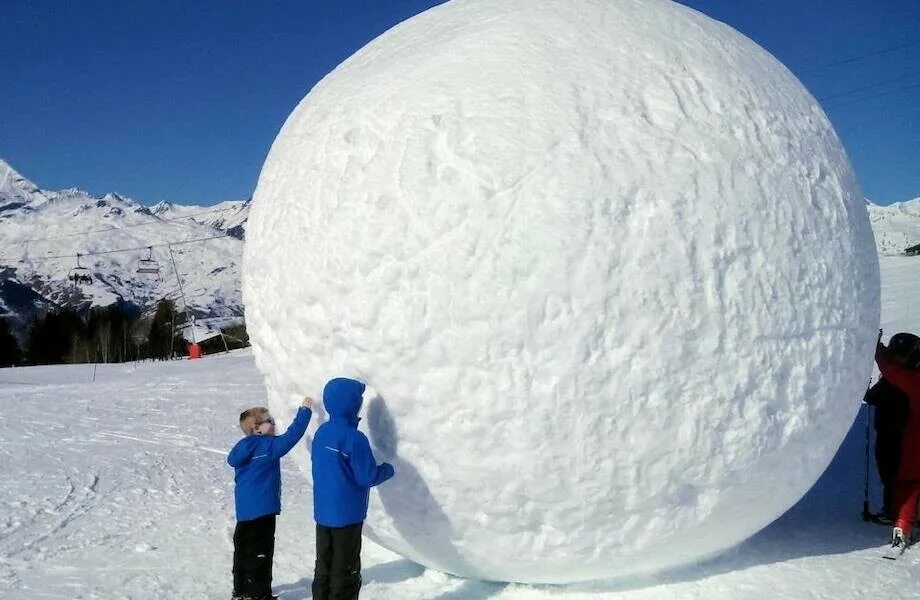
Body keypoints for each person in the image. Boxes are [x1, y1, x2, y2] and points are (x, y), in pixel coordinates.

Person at [311, 378, 395, 600]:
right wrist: (388, 469)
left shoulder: (322, 432)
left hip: (323, 512)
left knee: (324, 565)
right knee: (345, 569)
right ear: (354, 404)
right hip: (347, 515)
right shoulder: (354, 439)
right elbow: (367, 476)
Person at [228, 398, 313, 600]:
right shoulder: (268, 446)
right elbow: (293, 436)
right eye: (269, 421)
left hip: (245, 510)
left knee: (243, 549)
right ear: (256, 428)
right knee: (261, 552)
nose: (274, 423)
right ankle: (258, 594)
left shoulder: (243, 447)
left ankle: (241, 590)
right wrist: (305, 411)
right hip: (263, 509)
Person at [875, 334, 920, 547]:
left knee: (908, 483)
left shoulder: (915, 380)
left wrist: (877, 351)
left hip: (914, 442)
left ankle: (902, 525)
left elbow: (893, 372)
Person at [865, 376, 909, 522]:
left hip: (886, 434)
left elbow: (870, 397)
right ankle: (901, 510)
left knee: (888, 472)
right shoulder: (906, 380)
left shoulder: (888, 383)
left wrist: (867, 383)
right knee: (896, 472)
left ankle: (890, 511)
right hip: (902, 433)